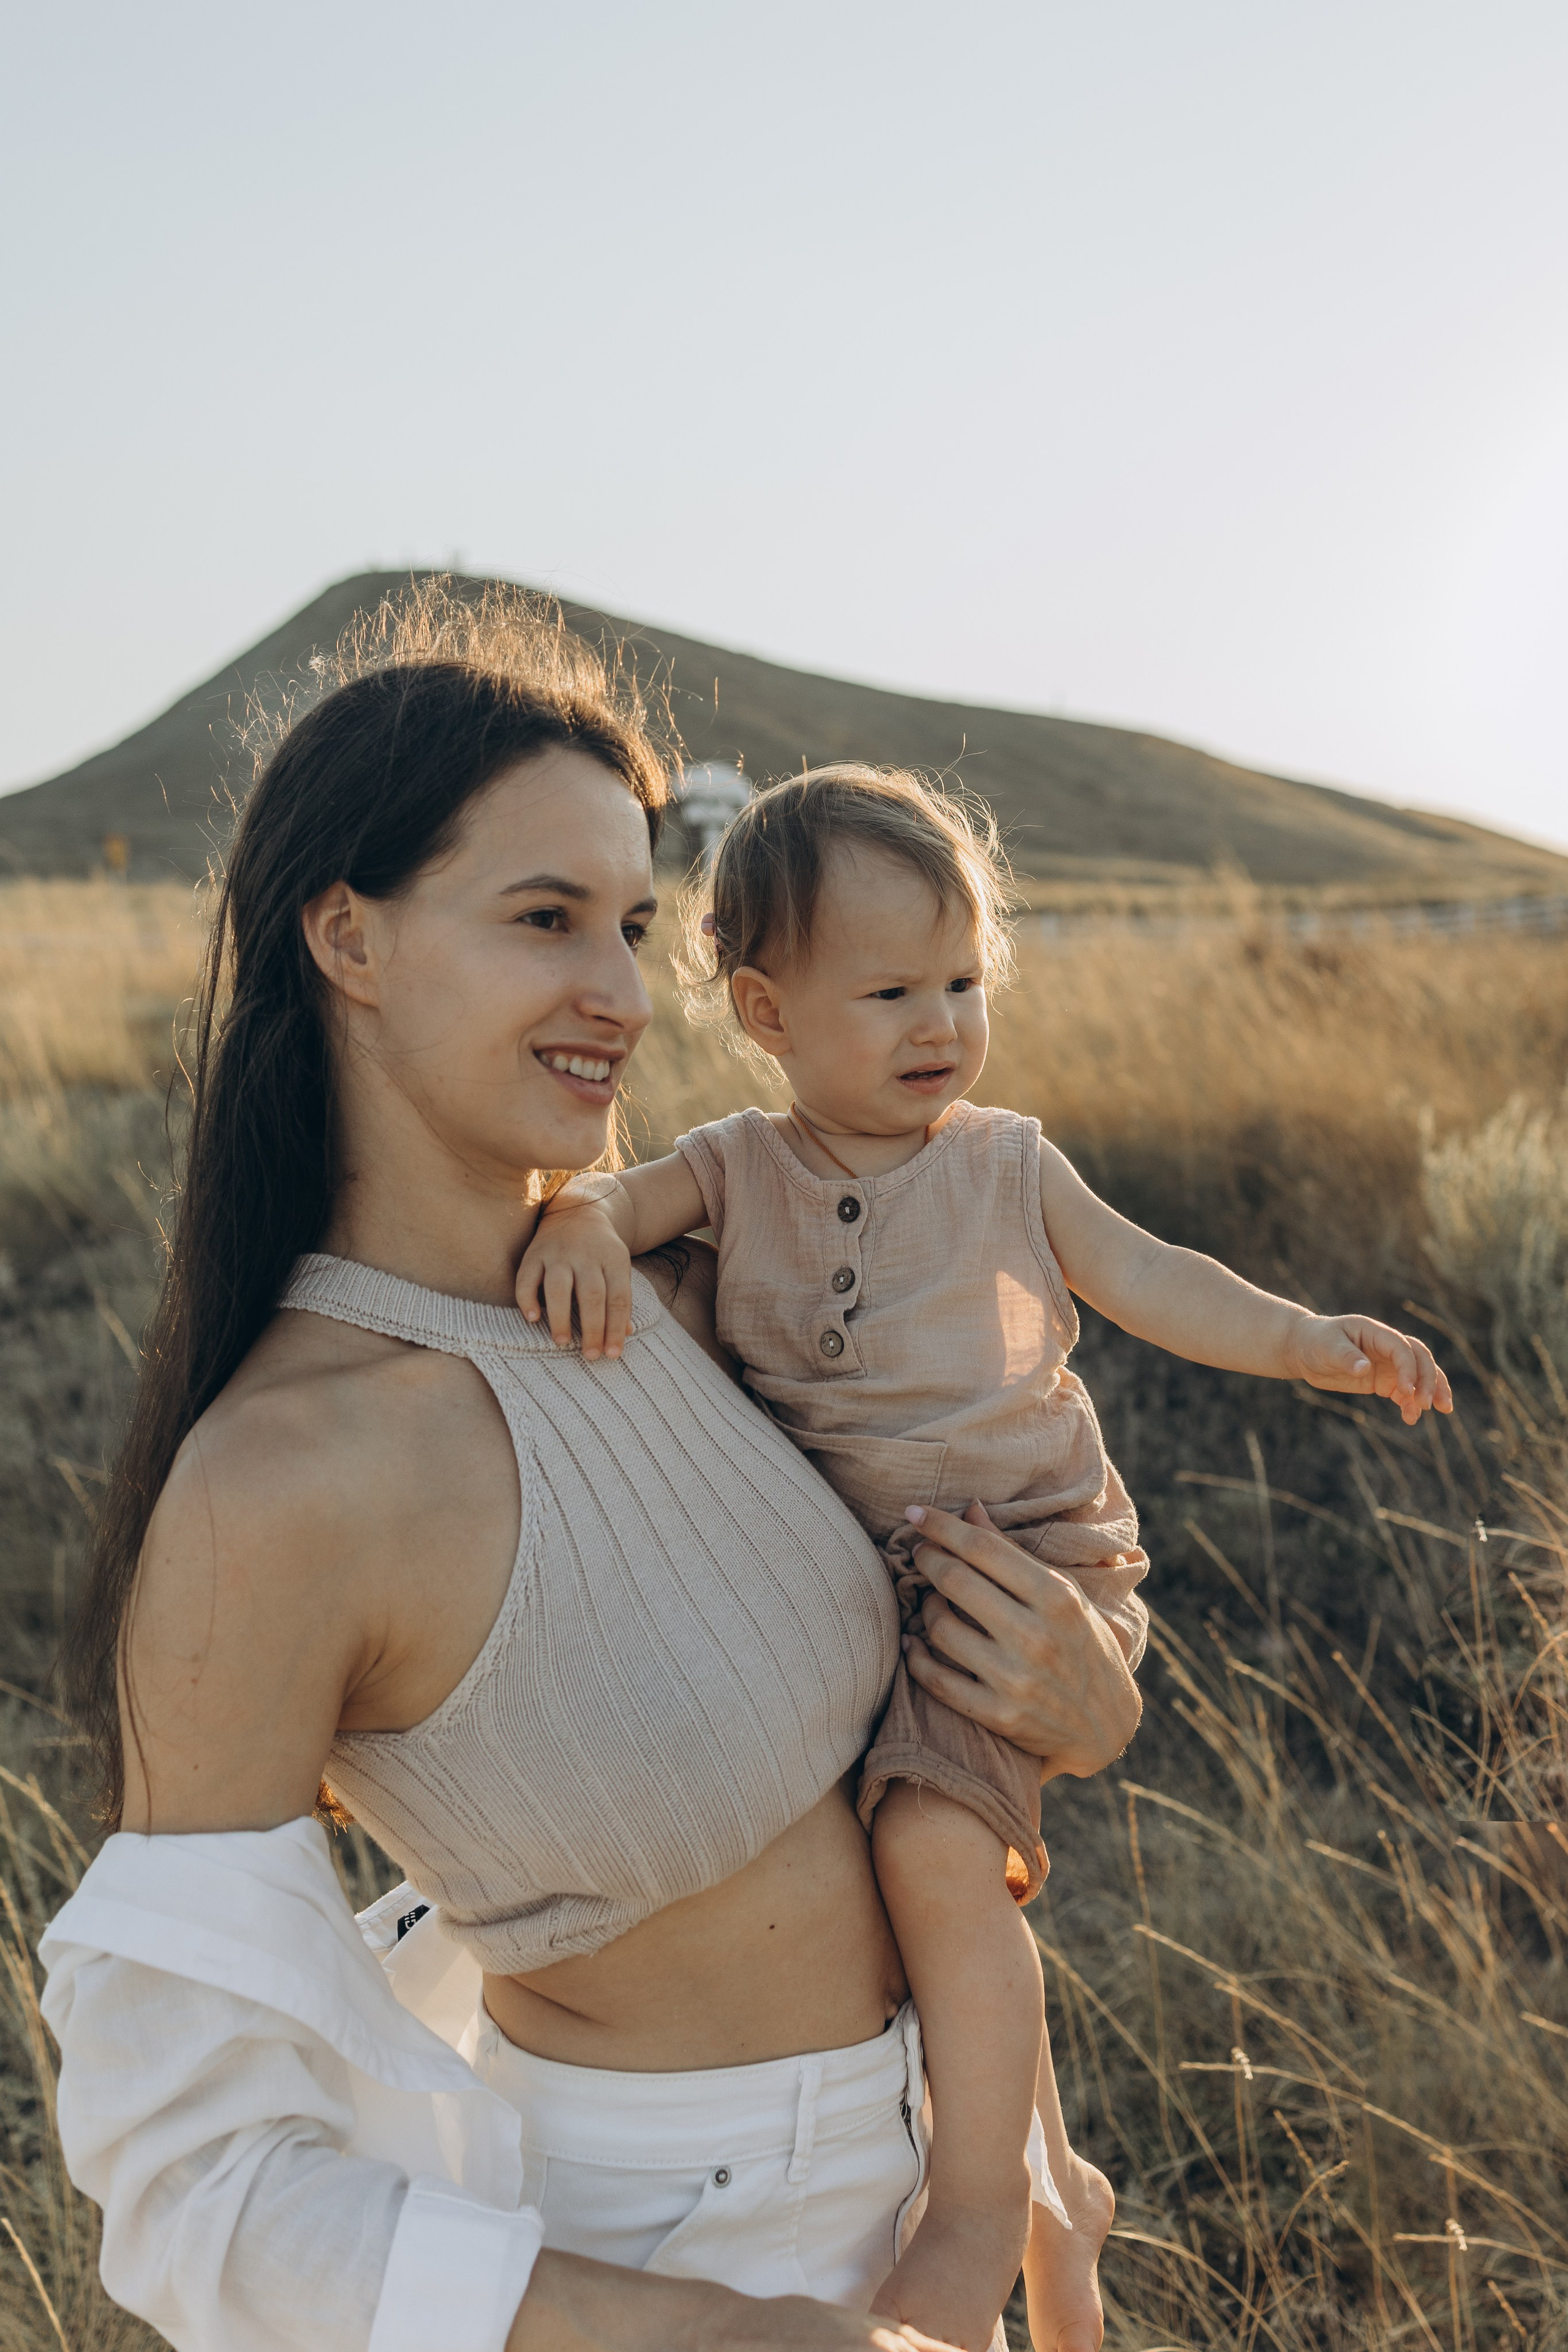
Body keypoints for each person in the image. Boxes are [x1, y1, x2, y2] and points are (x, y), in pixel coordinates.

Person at [41, 585, 1144, 2352]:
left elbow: (915, 1747)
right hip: (657, 2268)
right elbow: (194, 2180)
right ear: (350, 937)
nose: (621, 997)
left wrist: (1081, 1706)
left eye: (636, 925)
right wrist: (718, 2332)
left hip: (931, 2191)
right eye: (545, 919)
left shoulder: (685, 1298)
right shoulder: (283, 1484)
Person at [514, 764, 1455, 2351]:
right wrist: (584, 1226)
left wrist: (1305, 1343)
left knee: (941, 1860)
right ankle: (1051, 2187)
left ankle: (972, 2225)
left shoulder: (1006, 1166)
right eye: (889, 990)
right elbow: (619, 1201)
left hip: (1018, 1566)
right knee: (886, 1892)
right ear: (765, 1011)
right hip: (860, 1592)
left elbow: (1158, 1278)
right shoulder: (741, 1166)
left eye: (963, 979)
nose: (940, 1020)